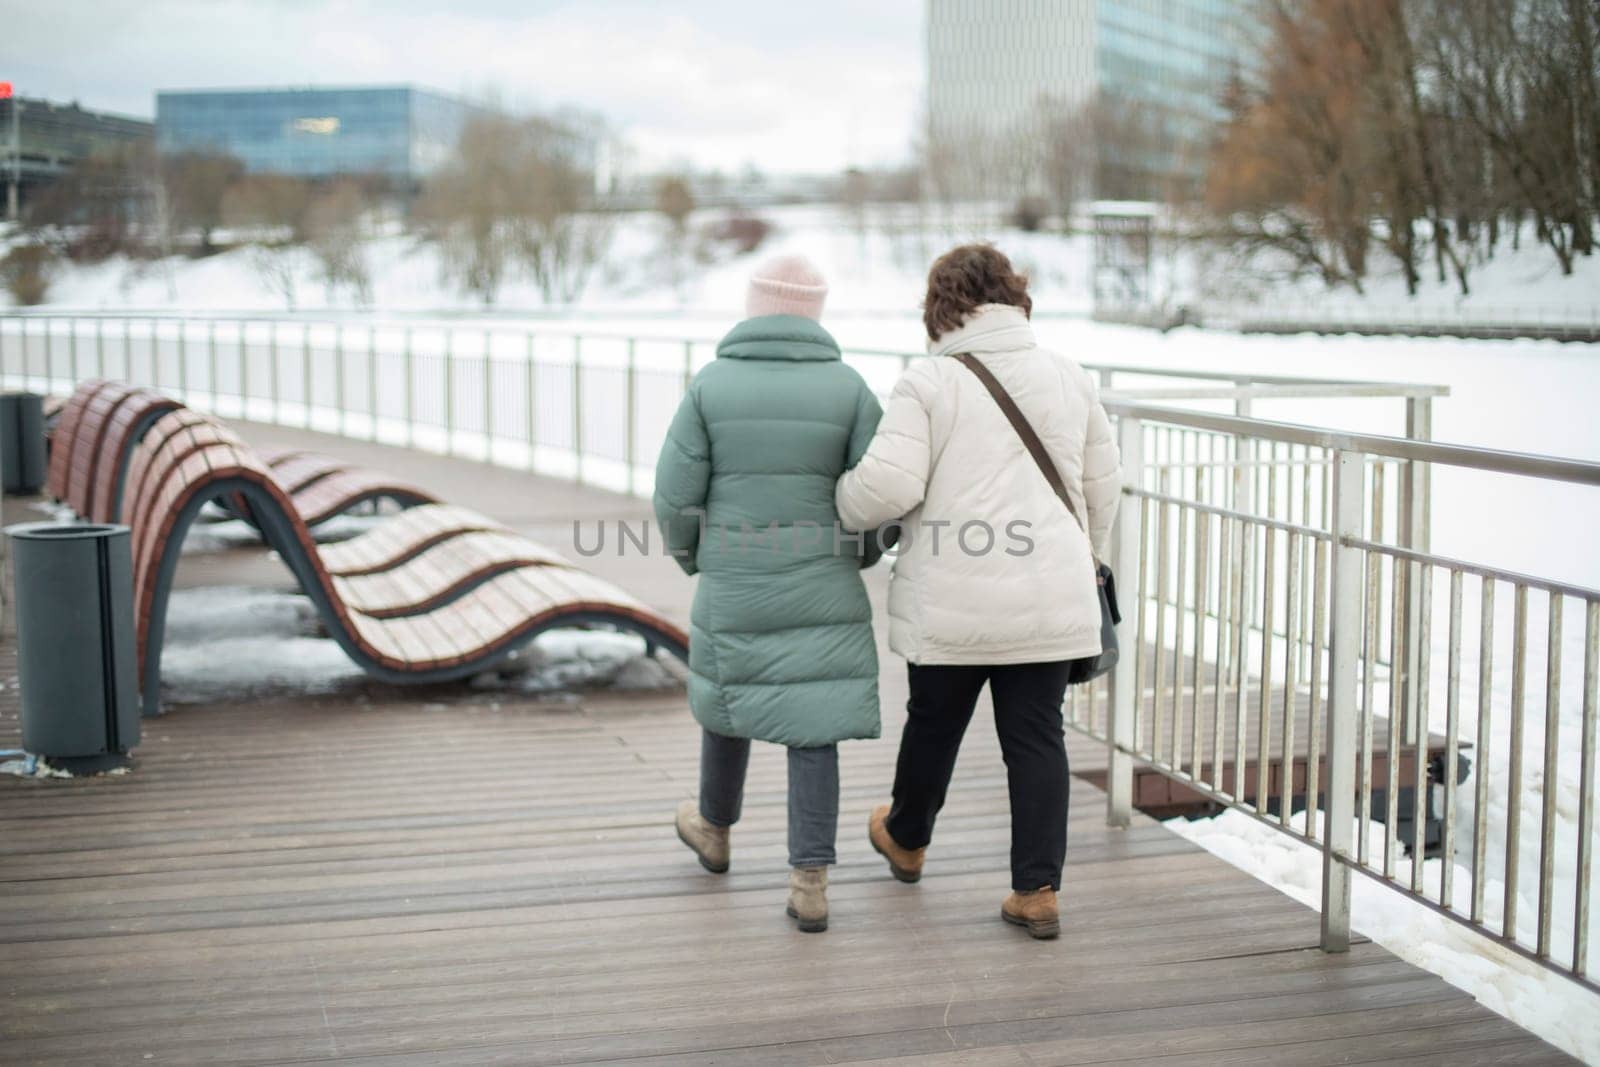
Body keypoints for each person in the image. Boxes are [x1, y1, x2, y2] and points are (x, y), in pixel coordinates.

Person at [835, 243, 1121, 939]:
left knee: (934, 720)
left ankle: (906, 836)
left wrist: (842, 502)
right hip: (1051, 595)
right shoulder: (1068, 375)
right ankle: (1037, 889)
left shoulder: (928, 383)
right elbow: (1102, 486)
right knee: (1035, 735)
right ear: (1013, 298)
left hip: (955, 596)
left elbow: (890, 486)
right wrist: (1084, 555)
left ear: (942, 308)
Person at [654, 254, 886, 934]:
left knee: (728, 699)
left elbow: (674, 494)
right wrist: (860, 554)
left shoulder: (711, 385)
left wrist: (696, 557)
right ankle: (809, 879)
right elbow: (879, 495)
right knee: (812, 722)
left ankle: (714, 829)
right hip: (823, 581)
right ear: (814, 314)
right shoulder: (850, 389)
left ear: (754, 306)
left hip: (736, 576)